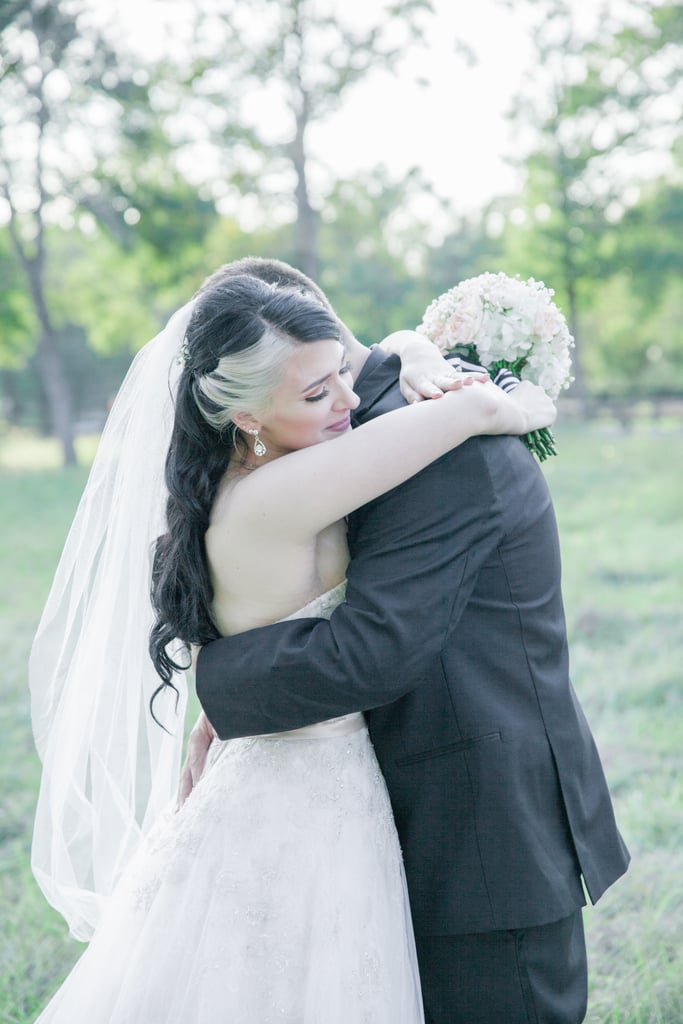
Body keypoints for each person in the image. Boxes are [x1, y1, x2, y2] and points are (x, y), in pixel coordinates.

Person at [29, 270, 555, 1024]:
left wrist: (404, 349)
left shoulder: (247, 478)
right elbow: (470, 408)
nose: (345, 401)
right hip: (310, 789)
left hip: (278, 768)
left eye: (340, 373)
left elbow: (357, 372)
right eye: (315, 395)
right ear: (244, 413)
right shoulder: (289, 490)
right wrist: (508, 397)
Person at [186, 260, 632, 1023]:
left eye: (330, 379)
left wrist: (216, 682)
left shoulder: (435, 440)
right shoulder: (379, 420)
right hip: (394, 824)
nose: (340, 403)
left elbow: (371, 652)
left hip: (483, 837)